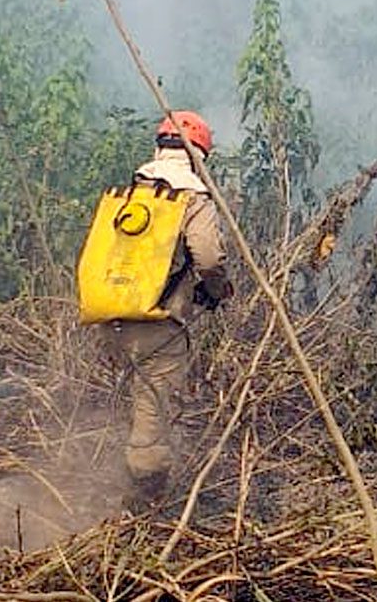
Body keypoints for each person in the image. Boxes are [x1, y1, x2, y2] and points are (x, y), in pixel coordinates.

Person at [84, 111, 232, 509]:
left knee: (130, 402)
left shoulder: (131, 194)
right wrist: (214, 291)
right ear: (200, 156)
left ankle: (106, 477)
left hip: (110, 316)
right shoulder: (191, 197)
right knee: (151, 414)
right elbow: (209, 257)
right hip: (156, 324)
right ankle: (145, 510)